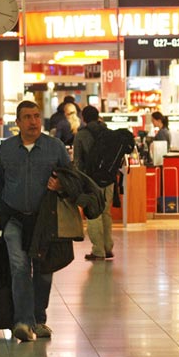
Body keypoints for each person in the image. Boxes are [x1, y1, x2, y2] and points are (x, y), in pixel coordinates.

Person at [0, 100, 70, 342]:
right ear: (18, 122)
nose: (33, 121)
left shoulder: (54, 147)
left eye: (36, 116)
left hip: (45, 220)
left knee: (44, 271)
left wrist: (62, 184)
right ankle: (23, 322)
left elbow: (72, 178)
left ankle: (38, 319)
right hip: (13, 217)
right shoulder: (7, 148)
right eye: (27, 117)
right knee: (20, 267)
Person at [73, 106, 114, 261]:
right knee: (105, 212)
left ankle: (98, 250)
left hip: (90, 180)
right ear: (98, 116)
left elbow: (77, 161)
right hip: (109, 178)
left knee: (93, 213)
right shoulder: (108, 132)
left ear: (83, 118)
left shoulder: (81, 135)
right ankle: (108, 247)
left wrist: (78, 181)